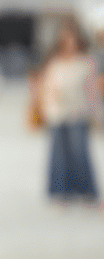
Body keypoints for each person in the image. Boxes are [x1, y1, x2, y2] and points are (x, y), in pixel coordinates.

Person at [36, 19, 100, 205]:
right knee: (58, 155)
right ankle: (60, 191)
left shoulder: (87, 62)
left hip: (78, 112)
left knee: (80, 153)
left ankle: (86, 191)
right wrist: (46, 108)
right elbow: (46, 87)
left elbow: (92, 91)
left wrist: (97, 115)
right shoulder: (54, 62)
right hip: (57, 112)